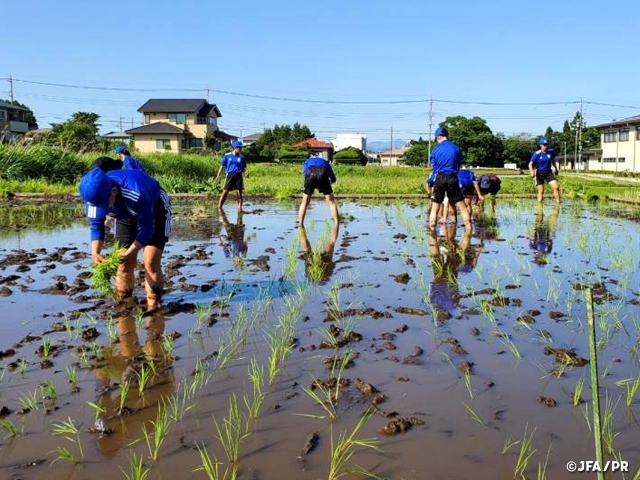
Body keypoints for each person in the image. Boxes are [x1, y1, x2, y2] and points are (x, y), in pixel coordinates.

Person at [79, 167, 172, 311]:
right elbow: (96, 225)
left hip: (154, 207)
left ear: (113, 191)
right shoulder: (93, 198)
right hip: (123, 214)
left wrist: (131, 251)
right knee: (124, 264)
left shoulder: (136, 193)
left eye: (104, 205)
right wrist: (95, 251)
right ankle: (124, 304)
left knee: (150, 262)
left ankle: (154, 306)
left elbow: (147, 230)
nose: (102, 209)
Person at [428, 127, 471, 230]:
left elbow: (434, 167)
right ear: (446, 135)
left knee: (435, 208)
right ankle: (469, 231)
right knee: (462, 206)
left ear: (438, 137)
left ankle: (432, 236)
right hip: (452, 177)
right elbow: (458, 164)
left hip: (439, 178)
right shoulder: (456, 148)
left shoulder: (435, 150)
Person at [298, 154, 339, 226]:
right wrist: (327, 184)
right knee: (331, 202)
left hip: (310, 174)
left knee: (304, 202)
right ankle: (337, 223)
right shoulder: (325, 162)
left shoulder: (307, 161)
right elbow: (333, 179)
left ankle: (300, 223)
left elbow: (305, 173)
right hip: (323, 174)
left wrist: (311, 185)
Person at [215, 140, 247, 211]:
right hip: (230, 175)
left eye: (241, 148)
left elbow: (243, 168)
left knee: (239, 193)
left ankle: (240, 207)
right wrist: (218, 175)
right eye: (239, 148)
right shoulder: (227, 156)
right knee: (225, 192)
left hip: (238, 175)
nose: (240, 149)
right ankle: (219, 206)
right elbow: (222, 166)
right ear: (234, 148)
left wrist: (245, 173)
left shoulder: (242, 157)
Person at [529, 137, 560, 204]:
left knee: (556, 187)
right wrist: (532, 171)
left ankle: (558, 204)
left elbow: (553, 160)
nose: (546, 146)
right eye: (544, 145)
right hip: (539, 173)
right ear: (540, 145)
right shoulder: (537, 154)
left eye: (547, 144)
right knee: (541, 191)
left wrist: (556, 169)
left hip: (548, 172)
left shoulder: (551, 152)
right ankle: (539, 207)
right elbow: (530, 164)